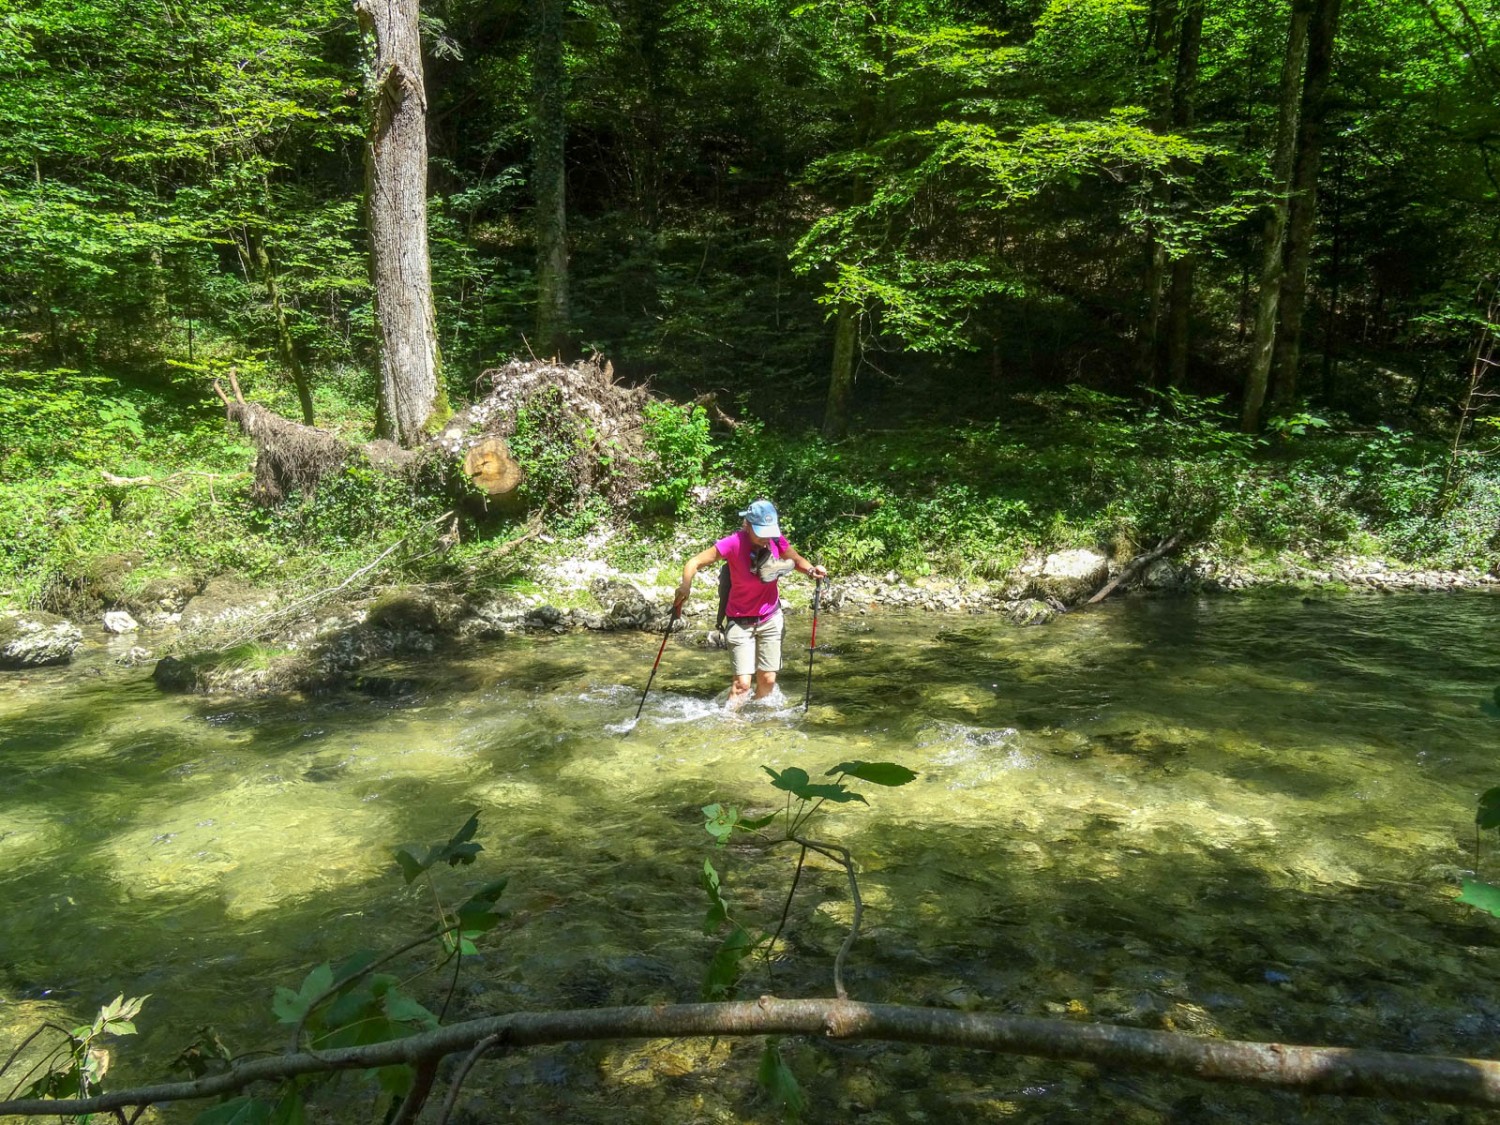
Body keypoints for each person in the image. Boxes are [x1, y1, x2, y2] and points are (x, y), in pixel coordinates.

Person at [676, 499, 827, 707]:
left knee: (768, 680)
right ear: (747, 525)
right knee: (742, 685)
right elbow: (694, 562)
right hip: (740, 621)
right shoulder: (734, 543)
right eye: (760, 532)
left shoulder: (776, 540)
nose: (766, 537)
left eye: (769, 531)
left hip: (771, 618)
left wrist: (812, 570)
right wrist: (685, 585)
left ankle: (759, 727)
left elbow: (798, 561)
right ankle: (732, 729)